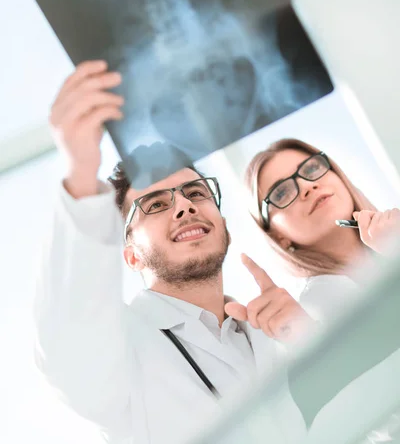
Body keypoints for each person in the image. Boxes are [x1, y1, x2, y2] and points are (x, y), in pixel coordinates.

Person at [36, 60, 315, 444]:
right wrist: (81, 172)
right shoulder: (120, 348)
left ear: (222, 223)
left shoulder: (271, 331)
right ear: (131, 255)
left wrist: (311, 340)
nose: (184, 206)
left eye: (196, 193)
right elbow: (69, 349)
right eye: (154, 204)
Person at [245, 137, 400, 442]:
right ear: (278, 236)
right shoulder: (318, 307)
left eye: (312, 168)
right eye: (282, 192)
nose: (306, 186)